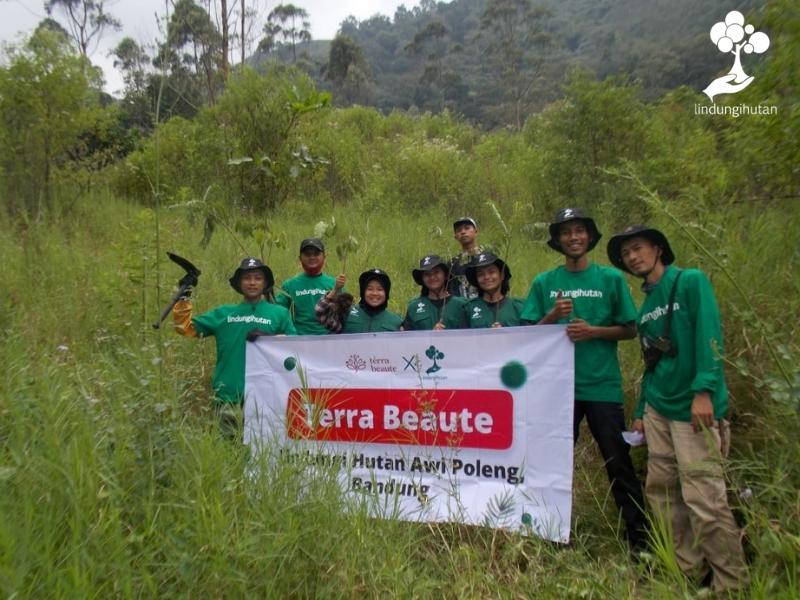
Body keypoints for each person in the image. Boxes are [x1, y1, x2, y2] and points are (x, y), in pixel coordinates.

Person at [607, 225, 748, 593]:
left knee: (704, 496)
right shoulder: (646, 308)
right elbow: (651, 364)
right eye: (626, 255)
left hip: (693, 409)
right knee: (662, 491)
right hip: (658, 411)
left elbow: (709, 336)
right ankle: (687, 568)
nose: (632, 257)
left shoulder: (690, 281)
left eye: (637, 249)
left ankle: (732, 583)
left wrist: (704, 391)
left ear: (657, 248)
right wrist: (641, 408)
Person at [521, 208, 647, 551]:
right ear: (558, 241)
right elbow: (528, 336)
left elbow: (631, 329)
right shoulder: (544, 283)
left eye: (579, 231)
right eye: (566, 232)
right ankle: (552, 534)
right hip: (557, 391)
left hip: (601, 386)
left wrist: (593, 332)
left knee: (618, 462)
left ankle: (641, 543)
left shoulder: (610, 279)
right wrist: (552, 316)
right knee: (553, 464)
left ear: (589, 237)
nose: (573, 237)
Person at [173, 257, 296, 435]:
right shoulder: (224, 313)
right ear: (239, 283)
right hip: (228, 396)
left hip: (267, 398)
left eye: (257, 278)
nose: (252, 283)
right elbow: (185, 327)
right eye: (247, 278)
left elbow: (294, 352)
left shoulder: (280, 314)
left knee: (264, 455)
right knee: (230, 454)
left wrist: (270, 338)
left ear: (265, 283)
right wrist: (184, 294)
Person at [276, 237, 341, 335]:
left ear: (324, 257)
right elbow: (277, 313)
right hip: (299, 340)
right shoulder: (289, 285)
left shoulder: (334, 284)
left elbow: (345, 314)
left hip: (329, 340)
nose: (312, 257)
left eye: (316, 253)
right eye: (307, 254)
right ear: (300, 258)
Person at [316, 268, 402, 333]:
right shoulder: (346, 313)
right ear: (363, 292)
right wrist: (335, 290)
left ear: (386, 293)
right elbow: (321, 313)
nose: (375, 293)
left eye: (380, 289)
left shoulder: (396, 321)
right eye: (370, 289)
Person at [403, 255, 466, 331]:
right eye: (427, 274)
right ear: (422, 279)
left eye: (436, 272)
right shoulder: (413, 307)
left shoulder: (461, 304)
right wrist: (431, 336)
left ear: (445, 275)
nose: (432, 277)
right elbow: (408, 339)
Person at [462, 252, 524, 328]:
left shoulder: (519, 307)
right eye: (480, 274)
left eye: (491, 272)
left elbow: (529, 337)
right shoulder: (468, 308)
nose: (486, 277)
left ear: (502, 275)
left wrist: (505, 333)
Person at [448, 217, 492, 299]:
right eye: (459, 230)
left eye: (467, 228)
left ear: (476, 231)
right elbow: (451, 289)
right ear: (455, 236)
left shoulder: (488, 258)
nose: (463, 232)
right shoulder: (452, 263)